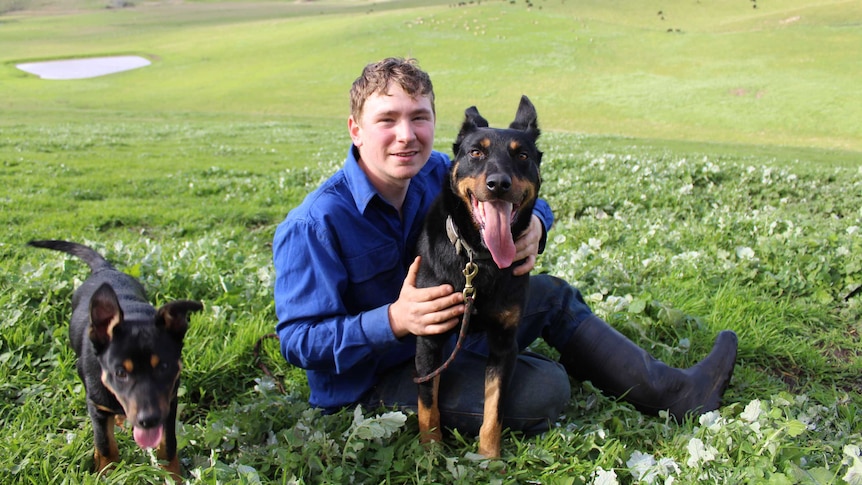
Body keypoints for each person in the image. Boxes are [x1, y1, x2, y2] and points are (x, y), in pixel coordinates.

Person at [272, 57, 737, 436]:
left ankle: (677, 393)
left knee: (553, 294)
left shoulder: (441, 171)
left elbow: (517, 188)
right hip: (373, 379)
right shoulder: (315, 224)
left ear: (435, 123)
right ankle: (505, 370)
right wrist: (393, 320)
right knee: (544, 391)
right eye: (386, 120)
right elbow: (296, 342)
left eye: (419, 117)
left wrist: (536, 222)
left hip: (455, 330)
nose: (406, 134)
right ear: (355, 129)